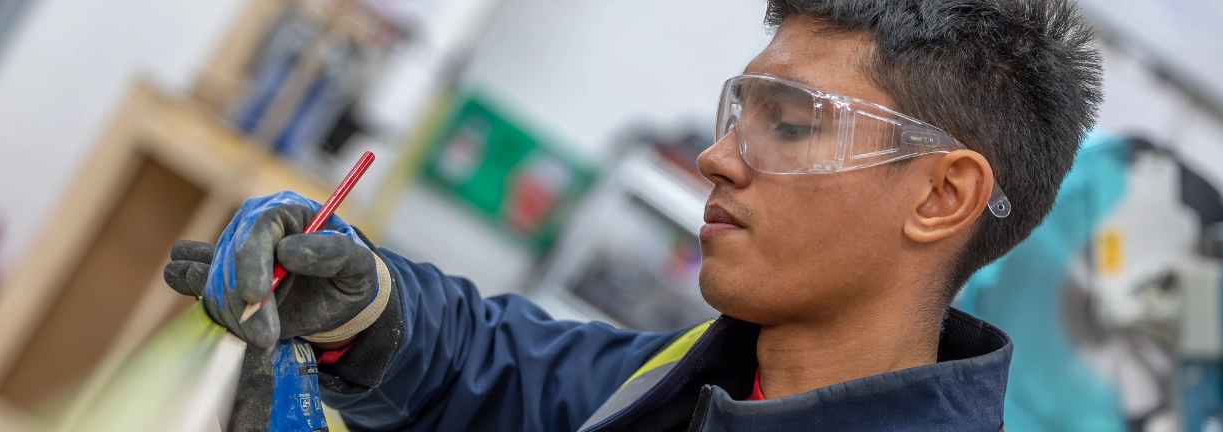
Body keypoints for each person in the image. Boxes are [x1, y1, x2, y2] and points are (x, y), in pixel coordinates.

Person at [162, 0, 1104, 430]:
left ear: (942, 197)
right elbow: (513, 378)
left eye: (793, 123)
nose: (718, 154)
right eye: (743, 111)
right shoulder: (714, 373)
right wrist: (367, 311)